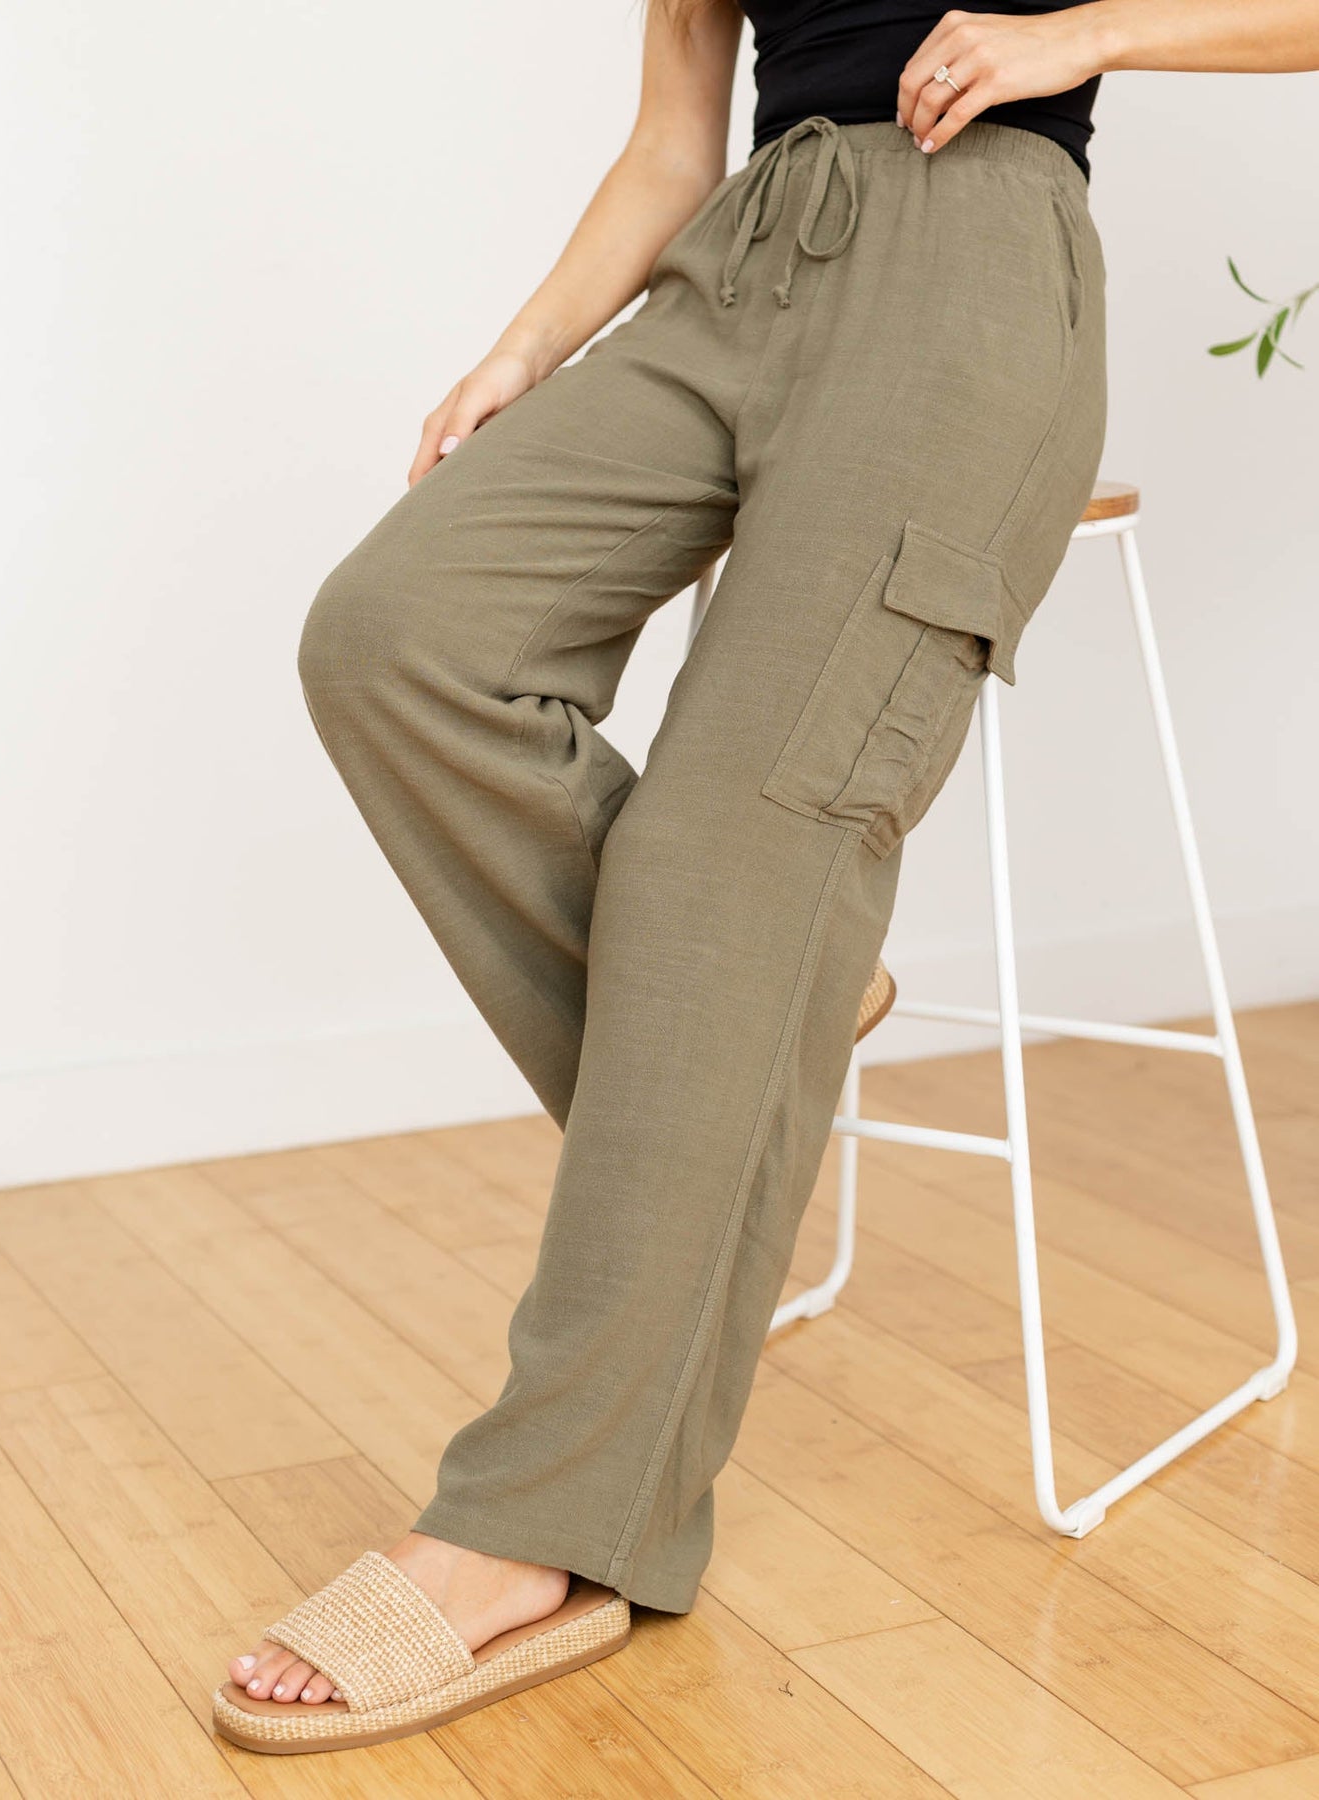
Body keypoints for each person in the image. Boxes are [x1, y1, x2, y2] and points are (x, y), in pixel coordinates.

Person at [213, 0, 1319, 1758]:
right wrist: (521, 351)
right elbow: (674, 132)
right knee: (398, 635)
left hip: (971, 268)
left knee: (725, 864)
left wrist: (1075, 34)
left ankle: (537, 1524)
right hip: (737, 265)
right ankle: (775, 984)